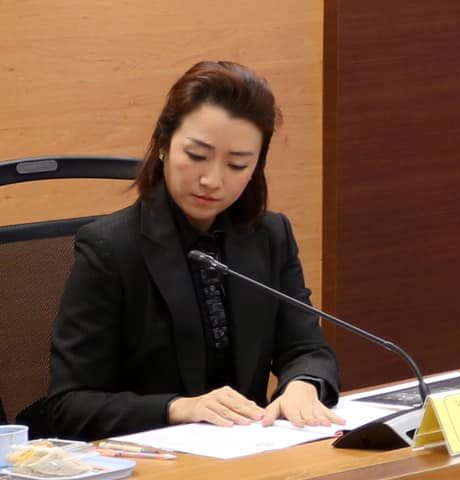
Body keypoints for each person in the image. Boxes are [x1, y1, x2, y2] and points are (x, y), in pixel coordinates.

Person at [47, 61, 343, 441]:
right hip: (152, 457)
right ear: (163, 144)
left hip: (249, 451)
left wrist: (304, 383)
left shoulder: (270, 236)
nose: (212, 180)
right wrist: (179, 408)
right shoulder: (110, 248)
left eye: (237, 164)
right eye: (198, 155)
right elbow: (69, 405)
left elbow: (307, 349)